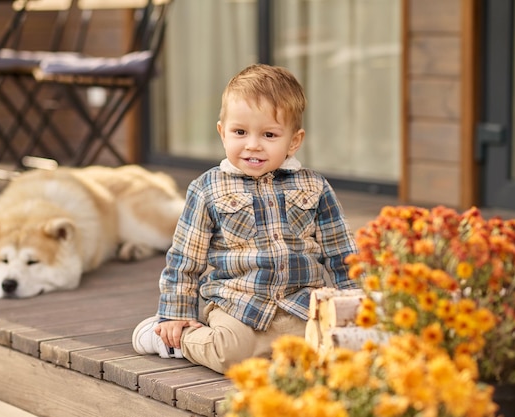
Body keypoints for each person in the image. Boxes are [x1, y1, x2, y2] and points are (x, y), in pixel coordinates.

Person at [132, 63, 358, 374]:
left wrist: (356, 301)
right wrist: (174, 311)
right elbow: (185, 258)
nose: (253, 144)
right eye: (240, 132)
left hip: (299, 303)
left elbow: (342, 251)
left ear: (294, 141)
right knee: (232, 354)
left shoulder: (314, 186)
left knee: (326, 353)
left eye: (269, 134)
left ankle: (273, 351)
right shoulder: (208, 188)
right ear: (222, 132)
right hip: (238, 304)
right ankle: (178, 340)